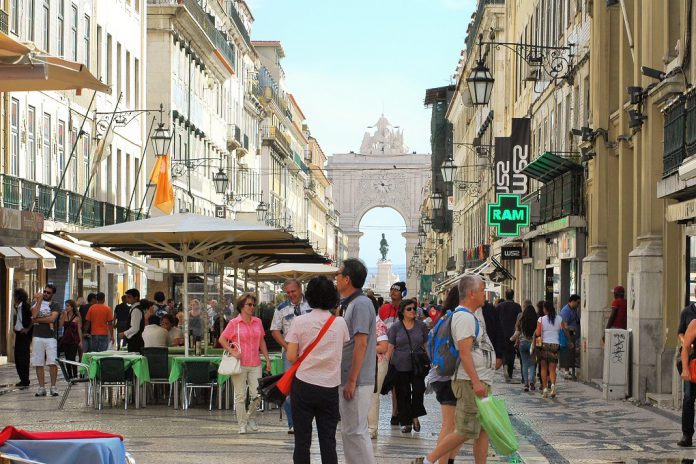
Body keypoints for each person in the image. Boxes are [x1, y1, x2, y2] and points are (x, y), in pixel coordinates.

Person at [414, 275, 495, 464]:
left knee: (483, 429)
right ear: (471, 293)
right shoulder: (464, 317)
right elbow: (465, 353)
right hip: (470, 381)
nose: (485, 294)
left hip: (480, 379)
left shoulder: (471, 315)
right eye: (482, 290)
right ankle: (428, 460)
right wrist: (476, 382)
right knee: (465, 429)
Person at [285, 276, 350, 464]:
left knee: (302, 441)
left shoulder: (299, 321)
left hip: (304, 384)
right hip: (329, 386)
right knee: (328, 441)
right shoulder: (339, 323)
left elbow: (290, 356)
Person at [335, 258, 376, 464]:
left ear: (347, 279)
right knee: (350, 432)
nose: (336, 278)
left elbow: (361, 344)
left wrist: (351, 379)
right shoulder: (352, 304)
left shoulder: (360, 304)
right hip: (352, 377)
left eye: (338, 274)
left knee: (356, 432)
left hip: (357, 380)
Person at [219, 292, 271, 434]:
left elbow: (262, 341)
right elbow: (222, 339)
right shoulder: (234, 323)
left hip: (255, 362)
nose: (252, 307)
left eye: (253, 304)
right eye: (249, 304)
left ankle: (250, 417)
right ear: (241, 306)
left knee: (257, 394)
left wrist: (267, 359)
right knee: (240, 395)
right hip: (239, 363)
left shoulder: (257, 322)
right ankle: (242, 423)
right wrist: (233, 351)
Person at [427, 286, 464, 464]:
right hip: (448, 377)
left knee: (457, 426)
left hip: (439, 374)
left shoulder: (443, 318)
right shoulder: (456, 318)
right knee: (449, 425)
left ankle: (448, 460)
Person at [270, 278, 312, 434]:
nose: (291, 295)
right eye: (287, 292)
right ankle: (292, 423)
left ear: (300, 289)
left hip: (309, 353)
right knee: (287, 390)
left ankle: (305, 421)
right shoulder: (281, 308)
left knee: (308, 389)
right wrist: (288, 348)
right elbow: (275, 330)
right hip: (289, 353)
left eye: (293, 291)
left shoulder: (311, 305)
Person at [387, 298, 429, 434]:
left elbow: (425, 344)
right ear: (402, 311)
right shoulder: (395, 327)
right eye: (409, 309)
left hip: (417, 364)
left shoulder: (421, 326)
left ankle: (415, 416)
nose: (413, 311)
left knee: (418, 391)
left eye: (414, 308)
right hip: (400, 364)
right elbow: (390, 347)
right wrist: (386, 365)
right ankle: (405, 422)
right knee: (402, 393)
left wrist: (431, 359)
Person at [378, 280, 405, 423]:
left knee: (398, 385)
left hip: (401, 351)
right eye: (392, 289)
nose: (393, 292)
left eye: (397, 290)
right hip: (385, 350)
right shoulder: (383, 309)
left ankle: (396, 413)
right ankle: (395, 413)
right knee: (389, 383)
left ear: (403, 293)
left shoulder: (406, 308)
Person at [31, 285, 62, 397]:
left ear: (52, 294)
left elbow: (52, 319)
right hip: (37, 336)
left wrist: (37, 320)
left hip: (50, 337)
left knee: (52, 362)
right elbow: (34, 314)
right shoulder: (35, 302)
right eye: (44, 292)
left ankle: (53, 386)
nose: (45, 294)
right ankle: (41, 387)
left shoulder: (55, 305)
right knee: (38, 362)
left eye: (48, 293)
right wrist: (39, 301)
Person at [536, 301, 571, 399]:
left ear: (545, 309)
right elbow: (564, 330)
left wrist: (536, 332)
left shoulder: (541, 319)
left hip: (544, 345)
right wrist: (569, 341)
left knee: (543, 368)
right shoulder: (559, 319)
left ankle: (545, 389)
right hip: (555, 345)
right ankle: (552, 386)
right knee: (552, 369)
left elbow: (538, 333)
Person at [368, 296, 389, 440]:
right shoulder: (367, 323)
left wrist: (366, 348)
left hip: (377, 363)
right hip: (367, 364)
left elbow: (383, 347)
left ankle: (372, 428)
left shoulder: (378, 324)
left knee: (373, 395)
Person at [678, 290, 696, 447]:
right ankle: (687, 434)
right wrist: (685, 369)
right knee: (689, 397)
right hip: (693, 363)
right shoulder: (692, 319)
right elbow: (684, 347)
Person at [496, 289, 522, 383]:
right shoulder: (517, 306)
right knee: (511, 352)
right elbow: (520, 318)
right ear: (513, 295)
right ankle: (509, 373)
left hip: (501, 333)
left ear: (505, 295)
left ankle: (505, 365)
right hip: (513, 333)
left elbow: (495, 319)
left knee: (504, 351)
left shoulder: (499, 306)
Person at [13, 288, 33, 388]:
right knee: (17, 357)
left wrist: (27, 329)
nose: (13, 298)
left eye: (14, 296)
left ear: (18, 297)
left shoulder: (25, 306)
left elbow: (32, 319)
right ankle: (22, 379)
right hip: (19, 334)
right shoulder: (18, 307)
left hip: (24, 336)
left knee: (23, 357)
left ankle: (25, 380)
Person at [516, 303, 538, 392]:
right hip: (532, 343)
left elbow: (517, 332)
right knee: (532, 363)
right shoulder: (536, 320)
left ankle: (525, 384)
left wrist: (516, 340)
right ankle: (532, 381)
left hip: (522, 344)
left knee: (524, 364)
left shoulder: (521, 320)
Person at [58, 300, 82, 378]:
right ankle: (69, 375)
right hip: (65, 340)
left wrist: (81, 341)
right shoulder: (64, 315)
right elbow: (60, 325)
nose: (66, 307)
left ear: (72, 307)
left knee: (72, 358)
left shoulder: (77, 317)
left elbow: (79, 329)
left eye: (68, 306)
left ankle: (75, 375)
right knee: (67, 359)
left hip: (74, 340)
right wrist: (63, 315)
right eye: (66, 306)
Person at [560, 294, 581, 380]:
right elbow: (565, 326)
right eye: (577, 302)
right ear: (572, 301)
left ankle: (571, 371)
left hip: (574, 334)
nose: (578, 304)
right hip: (568, 334)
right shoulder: (566, 311)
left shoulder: (574, 309)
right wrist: (569, 339)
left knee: (572, 353)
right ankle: (566, 371)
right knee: (567, 353)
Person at [119, 289, 145, 353]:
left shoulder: (136, 310)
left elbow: (135, 328)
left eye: (129, 297)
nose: (127, 299)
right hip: (134, 341)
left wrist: (124, 333)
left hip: (135, 342)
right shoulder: (134, 308)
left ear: (136, 298)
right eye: (126, 297)